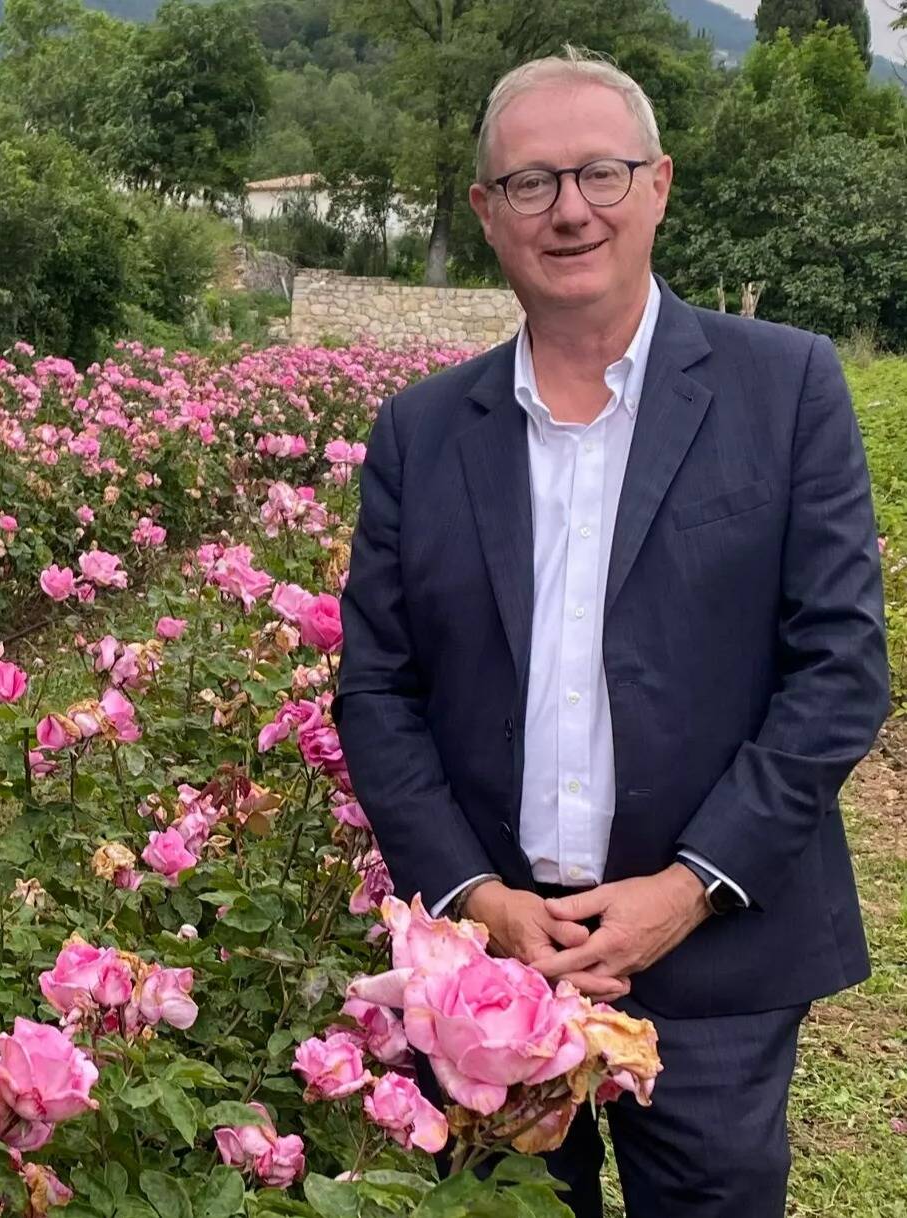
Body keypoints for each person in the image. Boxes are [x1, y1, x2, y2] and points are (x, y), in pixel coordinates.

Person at [334, 46, 889, 1218]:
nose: (571, 208)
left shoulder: (785, 389)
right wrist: (477, 897)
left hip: (716, 952)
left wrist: (688, 886)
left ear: (659, 184)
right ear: (486, 212)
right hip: (495, 967)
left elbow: (838, 670)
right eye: (531, 183)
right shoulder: (423, 433)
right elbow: (378, 692)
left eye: (601, 172)